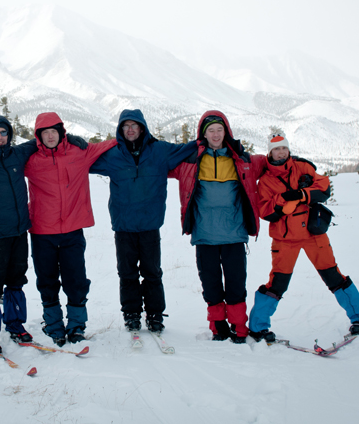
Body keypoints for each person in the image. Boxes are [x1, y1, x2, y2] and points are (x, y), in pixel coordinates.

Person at [0, 116, 89, 354]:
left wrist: (70, 138)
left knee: (16, 280)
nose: (0, 137)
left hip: (20, 231)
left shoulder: (18, 154)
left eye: (3, 132)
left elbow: (43, 139)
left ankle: (15, 324)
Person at [247, 132, 359, 342]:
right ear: (270, 153)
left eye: (284, 148)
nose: (281, 152)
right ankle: (258, 327)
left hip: (313, 234)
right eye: (276, 149)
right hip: (284, 239)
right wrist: (284, 200)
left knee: (333, 277)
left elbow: (324, 187)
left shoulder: (302, 167)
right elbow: (265, 211)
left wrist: (303, 195)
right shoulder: (265, 180)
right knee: (277, 284)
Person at [90, 109, 196, 333]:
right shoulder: (112, 155)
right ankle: (131, 314)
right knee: (127, 273)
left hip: (149, 224)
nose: (130, 130)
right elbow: (82, 161)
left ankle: (155, 314)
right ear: (121, 130)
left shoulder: (159, 151)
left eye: (134, 125)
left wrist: (208, 139)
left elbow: (188, 150)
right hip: (124, 225)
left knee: (152, 272)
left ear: (142, 128)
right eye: (125, 126)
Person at [169, 110, 265, 343]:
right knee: (211, 285)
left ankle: (239, 327)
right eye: (210, 130)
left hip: (234, 233)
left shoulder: (242, 160)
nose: (215, 134)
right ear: (203, 134)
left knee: (236, 284)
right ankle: (218, 326)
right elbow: (156, 164)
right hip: (204, 234)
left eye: (219, 130)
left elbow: (275, 161)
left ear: (226, 131)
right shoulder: (190, 161)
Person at [25, 112, 117, 346]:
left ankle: (76, 326)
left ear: (61, 132)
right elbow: (2, 158)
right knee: (47, 282)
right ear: (38, 136)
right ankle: (53, 326)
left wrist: (134, 134)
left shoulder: (79, 152)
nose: (50, 136)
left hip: (72, 231)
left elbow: (109, 144)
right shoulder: (31, 159)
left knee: (75, 281)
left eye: (54, 132)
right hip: (42, 232)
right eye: (45, 133)